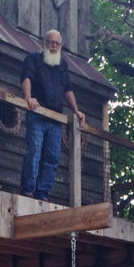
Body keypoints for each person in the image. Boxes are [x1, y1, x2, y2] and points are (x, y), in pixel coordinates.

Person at [19, 30, 85, 200]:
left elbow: (68, 89)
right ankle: (28, 190)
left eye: (57, 43)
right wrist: (28, 98)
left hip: (55, 120)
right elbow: (26, 78)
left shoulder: (62, 65)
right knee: (34, 152)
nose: (54, 46)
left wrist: (76, 110)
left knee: (53, 158)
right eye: (51, 42)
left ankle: (42, 193)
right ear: (44, 42)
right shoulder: (33, 59)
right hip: (38, 115)